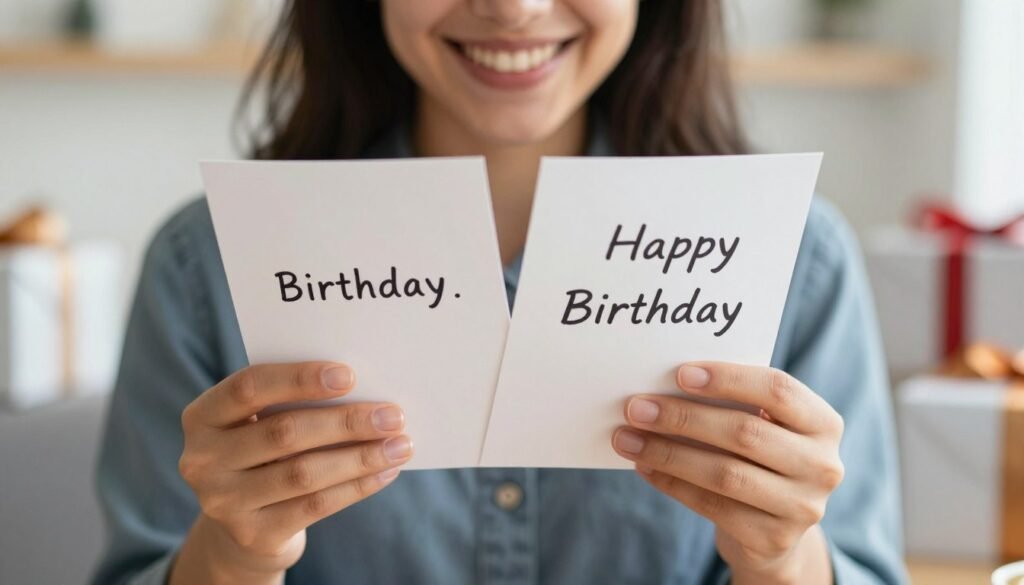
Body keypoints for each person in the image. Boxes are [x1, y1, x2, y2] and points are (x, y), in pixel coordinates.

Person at [90, 1, 906, 584]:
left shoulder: (800, 261)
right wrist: (233, 557)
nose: (513, 9)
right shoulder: (207, 263)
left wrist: (781, 559)